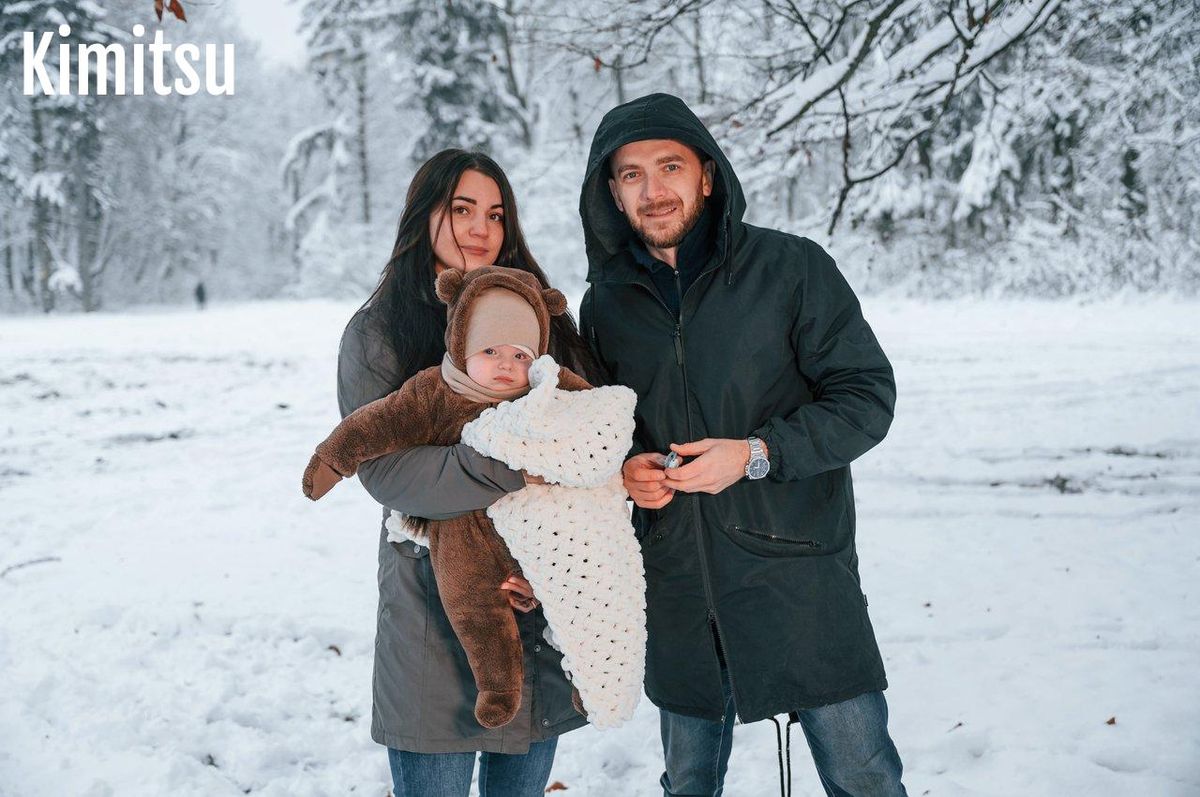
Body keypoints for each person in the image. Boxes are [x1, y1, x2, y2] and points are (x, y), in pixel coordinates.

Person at [578, 93, 907, 795]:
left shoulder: (792, 268)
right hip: (679, 586)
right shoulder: (605, 303)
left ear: (707, 174)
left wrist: (756, 453)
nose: (653, 189)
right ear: (613, 192)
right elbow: (604, 432)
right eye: (632, 174)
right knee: (688, 782)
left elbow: (866, 397)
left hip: (798, 575)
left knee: (864, 777)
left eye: (670, 166)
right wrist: (628, 470)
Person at [336, 149, 598, 796]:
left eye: (496, 213)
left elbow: (588, 443)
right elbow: (385, 470)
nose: (481, 228)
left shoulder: (542, 323)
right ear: (424, 214)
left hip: (534, 596)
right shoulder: (380, 332)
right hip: (432, 608)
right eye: (461, 209)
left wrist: (549, 567)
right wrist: (512, 462)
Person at [304, 265, 645, 732]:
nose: (505, 365)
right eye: (490, 351)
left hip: (541, 527)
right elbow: (376, 424)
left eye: (520, 354)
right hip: (463, 528)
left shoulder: (547, 390)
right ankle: (498, 687)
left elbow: (597, 419)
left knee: (586, 585)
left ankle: (594, 682)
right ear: (463, 344)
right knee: (473, 604)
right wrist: (331, 459)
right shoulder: (433, 391)